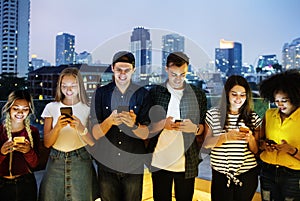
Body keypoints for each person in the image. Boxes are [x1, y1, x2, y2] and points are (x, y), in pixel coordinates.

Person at [90, 51, 152, 201]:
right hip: (106, 166)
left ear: (133, 70)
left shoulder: (143, 94)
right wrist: (109, 121)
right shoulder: (100, 94)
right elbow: (95, 133)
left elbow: (146, 134)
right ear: (112, 68)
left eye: (127, 70)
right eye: (119, 70)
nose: (122, 74)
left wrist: (134, 125)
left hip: (133, 166)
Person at [146, 52, 207, 201]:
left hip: (187, 162)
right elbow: (146, 126)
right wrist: (162, 124)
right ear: (166, 69)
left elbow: (203, 127)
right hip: (159, 161)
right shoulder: (155, 92)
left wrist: (194, 129)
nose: (178, 79)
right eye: (174, 74)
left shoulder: (197, 94)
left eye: (182, 74)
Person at [39, 67, 98, 201]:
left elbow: (93, 142)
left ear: (80, 86)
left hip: (81, 159)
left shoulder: (88, 108)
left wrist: (81, 128)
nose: (68, 90)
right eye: (64, 86)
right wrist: (58, 127)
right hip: (56, 160)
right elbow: (47, 143)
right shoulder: (51, 107)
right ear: (59, 87)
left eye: (73, 86)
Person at [203, 75, 261, 201]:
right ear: (227, 94)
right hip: (221, 175)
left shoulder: (253, 117)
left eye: (243, 95)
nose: (238, 99)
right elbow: (206, 144)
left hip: (247, 174)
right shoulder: (213, 114)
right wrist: (226, 136)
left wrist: (250, 139)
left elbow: (256, 151)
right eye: (234, 94)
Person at [258, 69, 300, 201]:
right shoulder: (269, 114)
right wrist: (264, 146)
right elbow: (259, 141)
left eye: (284, 100)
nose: (280, 104)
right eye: (276, 101)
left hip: (293, 174)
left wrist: (291, 150)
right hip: (267, 170)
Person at [0, 90, 40, 201]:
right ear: (9, 108)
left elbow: (35, 164)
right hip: (2, 185)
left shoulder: (33, 132)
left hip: (26, 184)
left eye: (25, 109)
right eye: (16, 108)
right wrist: (2, 153)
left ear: (29, 111)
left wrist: (28, 152)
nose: (20, 113)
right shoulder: (0, 132)